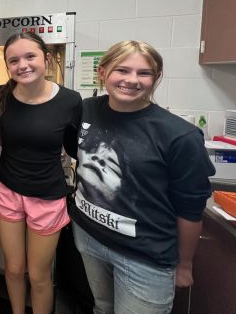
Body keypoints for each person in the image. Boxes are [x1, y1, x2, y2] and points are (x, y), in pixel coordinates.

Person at [70, 40, 215, 314]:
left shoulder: (179, 136)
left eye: (144, 73)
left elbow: (191, 209)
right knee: (102, 308)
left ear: (156, 77)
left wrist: (184, 264)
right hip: (89, 236)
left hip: (144, 256)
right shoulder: (87, 109)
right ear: (103, 72)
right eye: (121, 70)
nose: (131, 80)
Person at [0, 31, 82, 314]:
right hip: (7, 189)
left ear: (46, 58)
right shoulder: (1, 94)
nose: (23, 65)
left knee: (40, 275)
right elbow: (1, 138)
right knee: (14, 268)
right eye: (14, 60)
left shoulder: (70, 100)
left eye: (30, 56)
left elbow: (74, 148)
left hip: (46, 196)